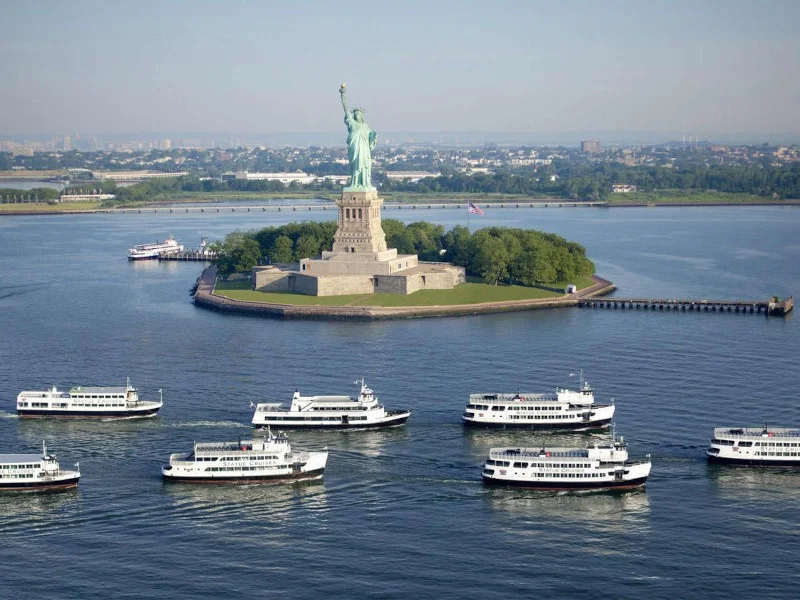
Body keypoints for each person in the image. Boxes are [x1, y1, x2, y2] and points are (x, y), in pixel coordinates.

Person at [340, 85, 378, 189]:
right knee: (355, 164)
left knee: (364, 164)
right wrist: (343, 95)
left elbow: (370, 139)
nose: (356, 115)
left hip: (364, 149)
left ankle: (365, 183)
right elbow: (346, 110)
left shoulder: (366, 126)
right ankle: (355, 183)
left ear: (361, 115)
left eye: (358, 113)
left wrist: (373, 137)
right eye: (355, 113)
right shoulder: (352, 123)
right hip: (355, 147)